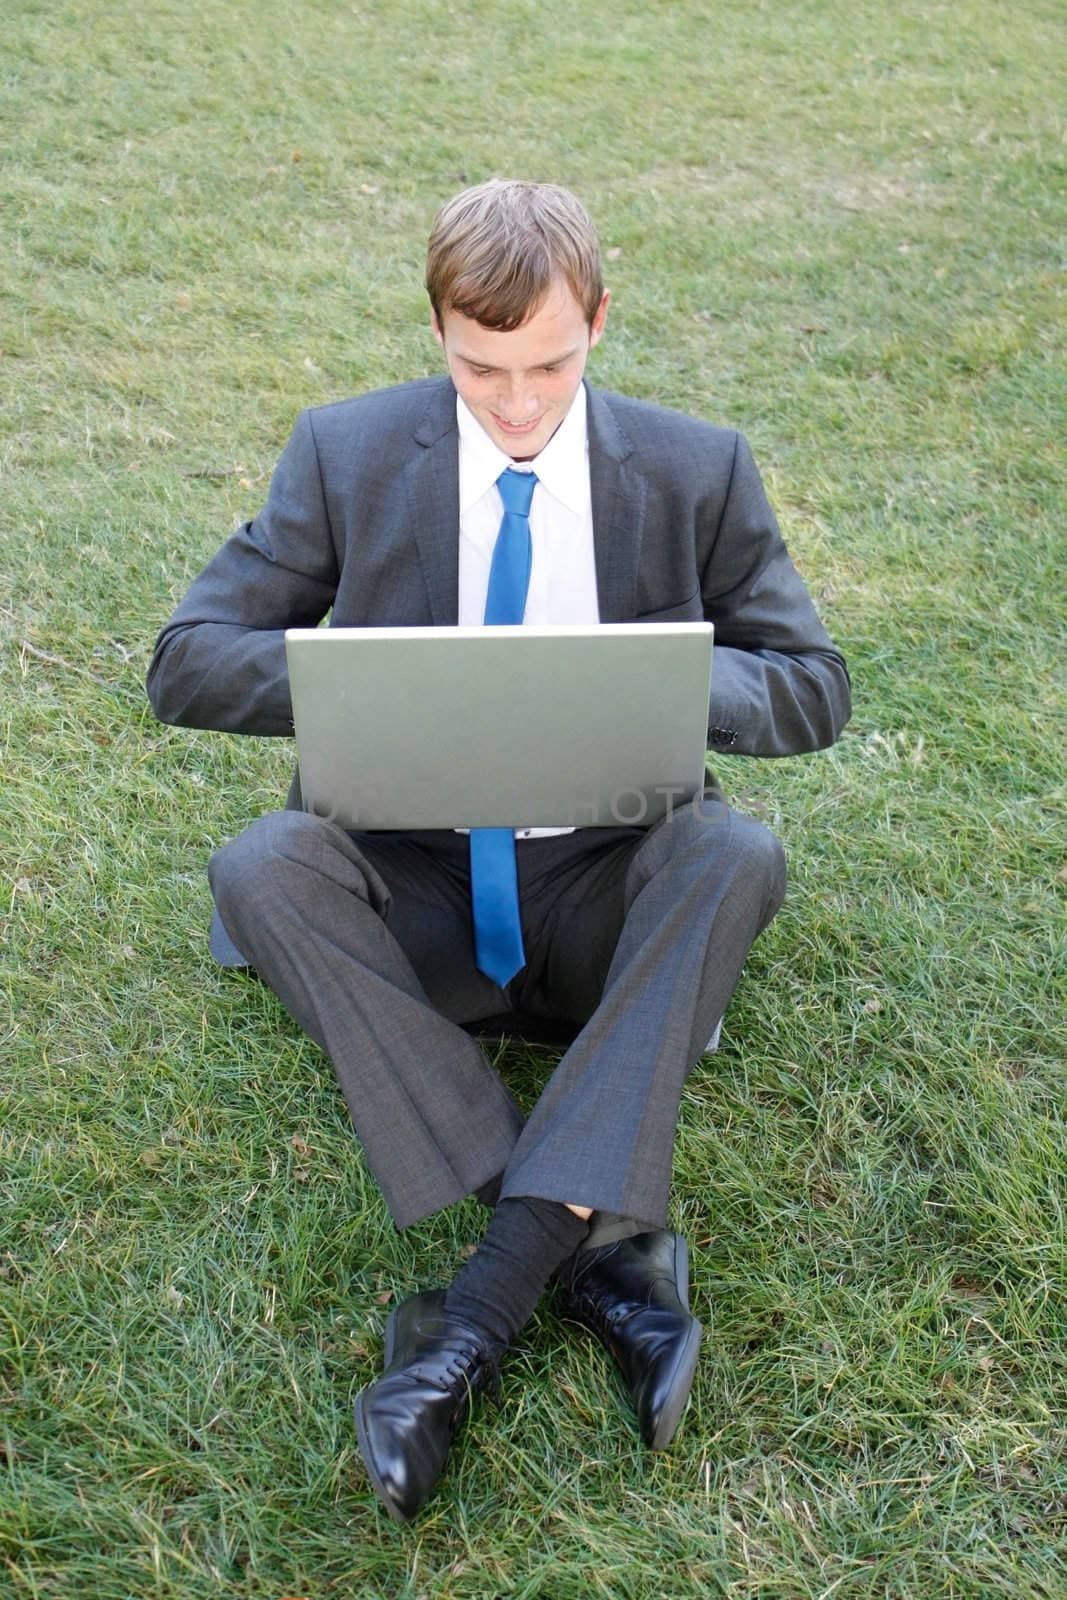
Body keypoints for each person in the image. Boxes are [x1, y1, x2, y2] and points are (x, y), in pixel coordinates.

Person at [147, 179, 850, 1522]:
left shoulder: (695, 467)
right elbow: (187, 662)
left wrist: (673, 682)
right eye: (480, 368)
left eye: (550, 366)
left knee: (733, 855)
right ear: (436, 330)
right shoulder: (347, 454)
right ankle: (595, 1256)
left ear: (598, 318)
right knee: (260, 869)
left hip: (603, 887)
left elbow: (816, 684)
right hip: (414, 883)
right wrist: (368, 677)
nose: (517, 405)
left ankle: (471, 1320)